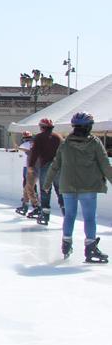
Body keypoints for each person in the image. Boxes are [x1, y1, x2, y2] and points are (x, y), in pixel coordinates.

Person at [44, 112, 112, 263]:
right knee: (89, 218)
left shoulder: (65, 143)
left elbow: (55, 165)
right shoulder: (94, 142)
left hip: (68, 186)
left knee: (69, 216)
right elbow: (105, 165)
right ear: (88, 127)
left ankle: (66, 244)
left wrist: (47, 184)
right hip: (88, 186)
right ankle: (90, 248)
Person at [27, 118, 64, 225]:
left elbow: (34, 152)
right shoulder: (58, 137)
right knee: (60, 191)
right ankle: (66, 215)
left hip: (46, 166)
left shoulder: (39, 137)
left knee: (45, 191)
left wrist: (31, 165)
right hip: (58, 167)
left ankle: (45, 215)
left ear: (42, 127)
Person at [13, 131, 39, 215]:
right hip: (34, 168)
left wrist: (18, 148)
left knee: (27, 187)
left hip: (28, 168)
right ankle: (28, 203)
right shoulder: (34, 145)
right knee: (30, 187)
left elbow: (23, 153)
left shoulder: (25, 146)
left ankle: (34, 205)